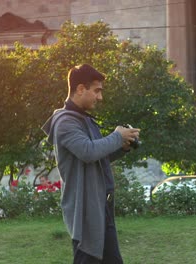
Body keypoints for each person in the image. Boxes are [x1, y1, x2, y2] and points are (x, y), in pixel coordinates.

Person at [42, 64, 140, 263]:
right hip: (85, 209)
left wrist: (123, 146)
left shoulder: (83, 120)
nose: (100, 97)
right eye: (97, 91)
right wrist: (116, 136)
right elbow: (87, 152)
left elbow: (97, 157)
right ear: (80, 89)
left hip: (100, 206)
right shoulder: (65, 122)